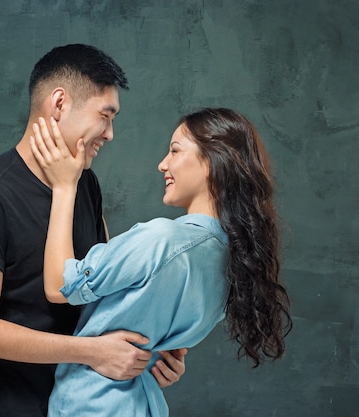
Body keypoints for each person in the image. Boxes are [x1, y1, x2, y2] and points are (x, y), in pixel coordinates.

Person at [0, 44, 186, 417]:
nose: (110, 134)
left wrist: (149, 358)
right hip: (4, 408)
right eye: (104, 116)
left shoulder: (85, 184)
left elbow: (103, 292)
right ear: (59, 104)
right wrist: (94, 352)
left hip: (80, 405)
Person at [29, 107, 293, 416]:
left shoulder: (162, 240)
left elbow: (61, 285)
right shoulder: (233, 265)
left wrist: (64, 188)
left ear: (211, 163)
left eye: (175, 151)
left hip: (93, 405)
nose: (162, 164)